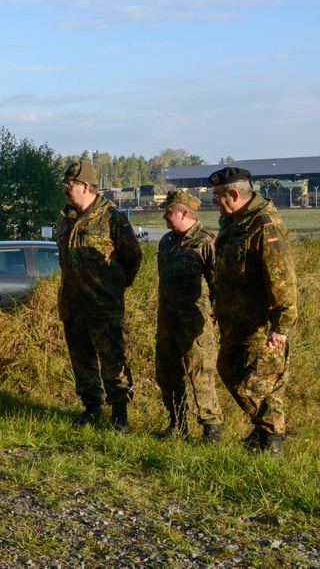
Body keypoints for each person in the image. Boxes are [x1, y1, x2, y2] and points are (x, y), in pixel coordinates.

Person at [210, 167, 297, 454]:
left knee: (260, 386)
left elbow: (281, 278)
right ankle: (265, 430)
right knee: (228, 369)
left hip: (261, 327)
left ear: (235, 194)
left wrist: (281, 326)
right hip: (235, 323)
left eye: (218, 196)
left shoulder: (264, 226)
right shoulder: (232, 222)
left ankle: (271, 443)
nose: (214, 202)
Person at [56, 161, 142, 432]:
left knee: (113, 361)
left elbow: (133, 257)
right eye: (65, 185)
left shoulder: (112, 218)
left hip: (103, 305)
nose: (65, 190)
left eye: (69, 185)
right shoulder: (66, 217)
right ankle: (91, 408)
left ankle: (119, 416)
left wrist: (115, 287)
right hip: (72, 303)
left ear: (85, 186)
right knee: (81, 360)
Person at [155, 189, 222, 442]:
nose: (164, 216)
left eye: (168, 211)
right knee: (167, 373)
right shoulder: (166, 242)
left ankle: (211, 429)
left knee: (200, 374)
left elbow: (218, 285)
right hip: (167, 320)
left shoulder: (206, 242)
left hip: (195, 322)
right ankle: (177, 424)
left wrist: (219, 317)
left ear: (184, 212)